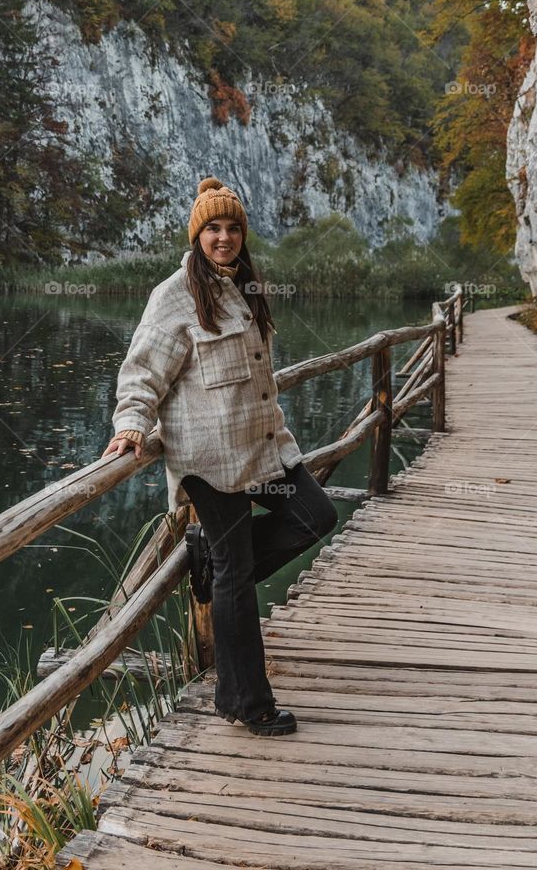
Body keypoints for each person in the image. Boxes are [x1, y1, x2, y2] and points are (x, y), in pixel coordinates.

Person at [101, 175, 339, 736]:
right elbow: (142, 372)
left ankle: (211, 565)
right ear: (196, 235)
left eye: (232, 228)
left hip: (262, 449)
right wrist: (132, 424)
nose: (224, 238)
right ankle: (246, 702)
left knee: (316, 516)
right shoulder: (174, 295)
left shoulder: (249, 285)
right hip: (208, 459)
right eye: (213, 229)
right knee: (236, 576)